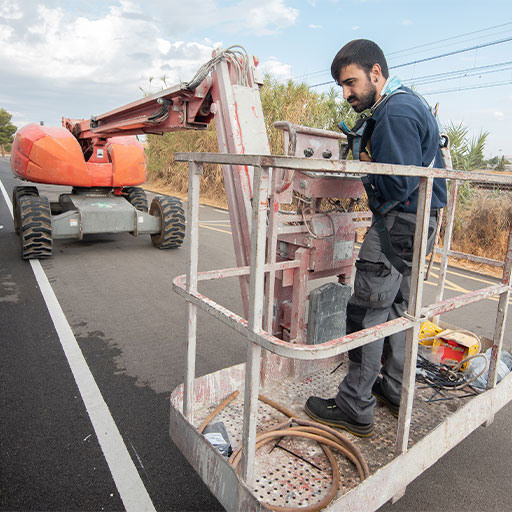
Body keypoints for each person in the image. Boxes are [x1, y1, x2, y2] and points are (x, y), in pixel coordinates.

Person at [304, 39, 447, 437]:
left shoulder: (395, 112)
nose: (346, 94)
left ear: (376, 73)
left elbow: (398, 181)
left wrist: (365, 163)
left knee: (367, 311)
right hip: (422, 220)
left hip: (398, 224)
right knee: (399, 308)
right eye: (342, 87)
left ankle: (354, 405)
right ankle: (395, 388)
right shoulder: (408, 102)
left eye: (350, 83)